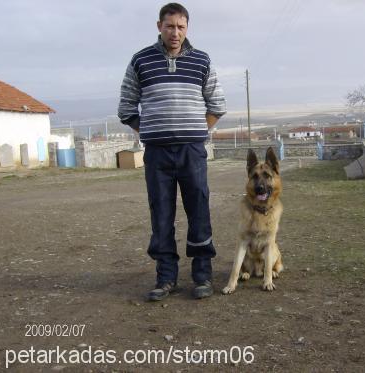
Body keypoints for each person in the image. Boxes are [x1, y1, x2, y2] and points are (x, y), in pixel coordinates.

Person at [118, 3, 226, 300]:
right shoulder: (140, 61)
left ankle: (202, 275)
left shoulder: (202, 61)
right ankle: (166, 278)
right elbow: (126, 107)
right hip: (157, 155)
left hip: (192, 151)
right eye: (169, 26)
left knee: (199, 211)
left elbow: (217, 105)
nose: (175, 32)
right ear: (159, 27)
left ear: (187, 28)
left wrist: (198, 132)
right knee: (161, 214)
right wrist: (151, 131)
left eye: (180, 26)